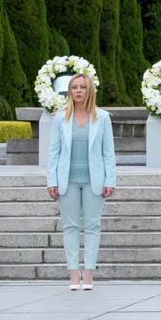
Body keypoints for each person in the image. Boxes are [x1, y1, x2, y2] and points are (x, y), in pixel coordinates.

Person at [46, 73, 116, 290]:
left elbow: (108, 153)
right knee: (71, 226)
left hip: (94, 180)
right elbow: (53, 152)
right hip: (67, 180)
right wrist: (52, 180)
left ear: (89, 91)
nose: (78, 91)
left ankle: (88, 274)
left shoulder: (102, 117)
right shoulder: (60, 118)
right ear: (70, 91)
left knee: (93, 226)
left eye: (82, 87)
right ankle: (73, 274)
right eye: (74, 87)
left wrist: (110, 180)